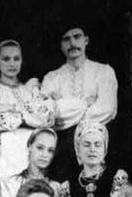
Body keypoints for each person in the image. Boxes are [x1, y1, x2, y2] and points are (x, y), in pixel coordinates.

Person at [42, 24, 118, 181]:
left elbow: (107, 109)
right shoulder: (51, 78)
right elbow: (48, 115)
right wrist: (85, 103)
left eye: (77, 37)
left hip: (97, 145)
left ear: (86, 40)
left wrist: (63, 104)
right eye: (66, 39)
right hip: (63, 149)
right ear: (61, 45)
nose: (72, 43)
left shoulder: (103, 71)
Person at [0, 39, 55, 178]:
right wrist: (30, 115)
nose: (12, 63)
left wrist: (11, 108)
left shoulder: (30, 89)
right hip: (7, 151)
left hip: (33, 151)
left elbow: (46, 117)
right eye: (6, 59)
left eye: (16, 59)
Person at [59, 121, 130, 197]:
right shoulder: (67, 184)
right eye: (87, 145)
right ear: (78, 149)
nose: (92, 149)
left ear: (104, 149)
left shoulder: (118, 177)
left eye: (97, 145)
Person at [0, 127, 70, 197]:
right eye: (40, 148)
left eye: (50, 150)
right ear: (29, 146)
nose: (45, 155)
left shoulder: (57, 188)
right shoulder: (11, 184)